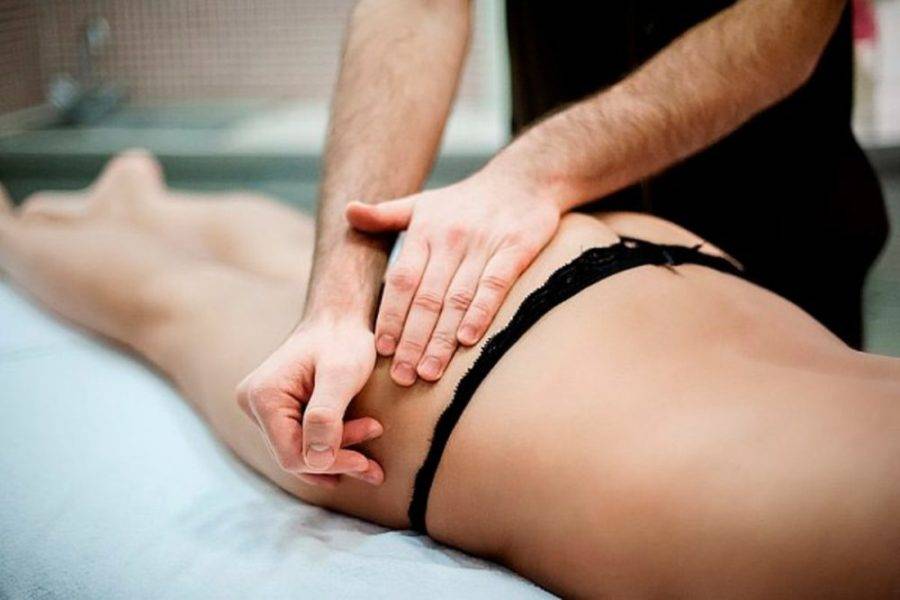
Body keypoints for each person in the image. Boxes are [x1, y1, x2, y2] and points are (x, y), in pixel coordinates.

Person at [2, 153, 899, 597]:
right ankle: (10, 226)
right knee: (173, 305)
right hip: (500, 387)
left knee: (293, 271)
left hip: (672, 279)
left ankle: (140, 198)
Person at [241, 0, 889, 484]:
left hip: (780, 240)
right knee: (235, 273)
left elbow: (786, 22)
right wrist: (337, 300)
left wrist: (537, 172)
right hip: (552, 248)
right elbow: (420, 6)